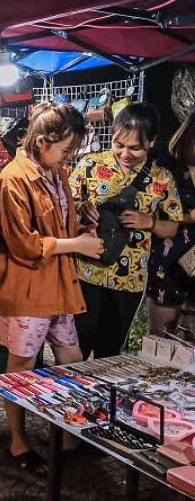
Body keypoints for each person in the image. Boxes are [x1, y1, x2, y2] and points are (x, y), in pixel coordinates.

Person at [0, 103, 102, 474]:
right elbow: (25, 245)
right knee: (21, 368)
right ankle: (18, 441)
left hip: (58, 285)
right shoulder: (12, 180)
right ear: (40, 142)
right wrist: (77, 245)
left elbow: (58, 219)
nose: (69, 157)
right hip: (26, 290)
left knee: (71, 357)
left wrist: (81, 214)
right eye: (66, 150)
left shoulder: (56, 173)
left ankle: (68, 432)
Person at [71, 103, 183, 359]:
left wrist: (150, 222)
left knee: (109, 351)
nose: (125, 153)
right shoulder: (90, 164)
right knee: (76, 346)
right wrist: (81, 207)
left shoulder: (161, 178)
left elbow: (173, 226)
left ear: (152, 142)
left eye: (135, 147)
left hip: (129, 280)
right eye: (118, 144)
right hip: (86, 272)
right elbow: (65, 205)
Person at [145, 111, 195, 335]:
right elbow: (150, 213)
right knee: (162, 339)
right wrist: (189, 218)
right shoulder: (166, 169)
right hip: (168, 262)